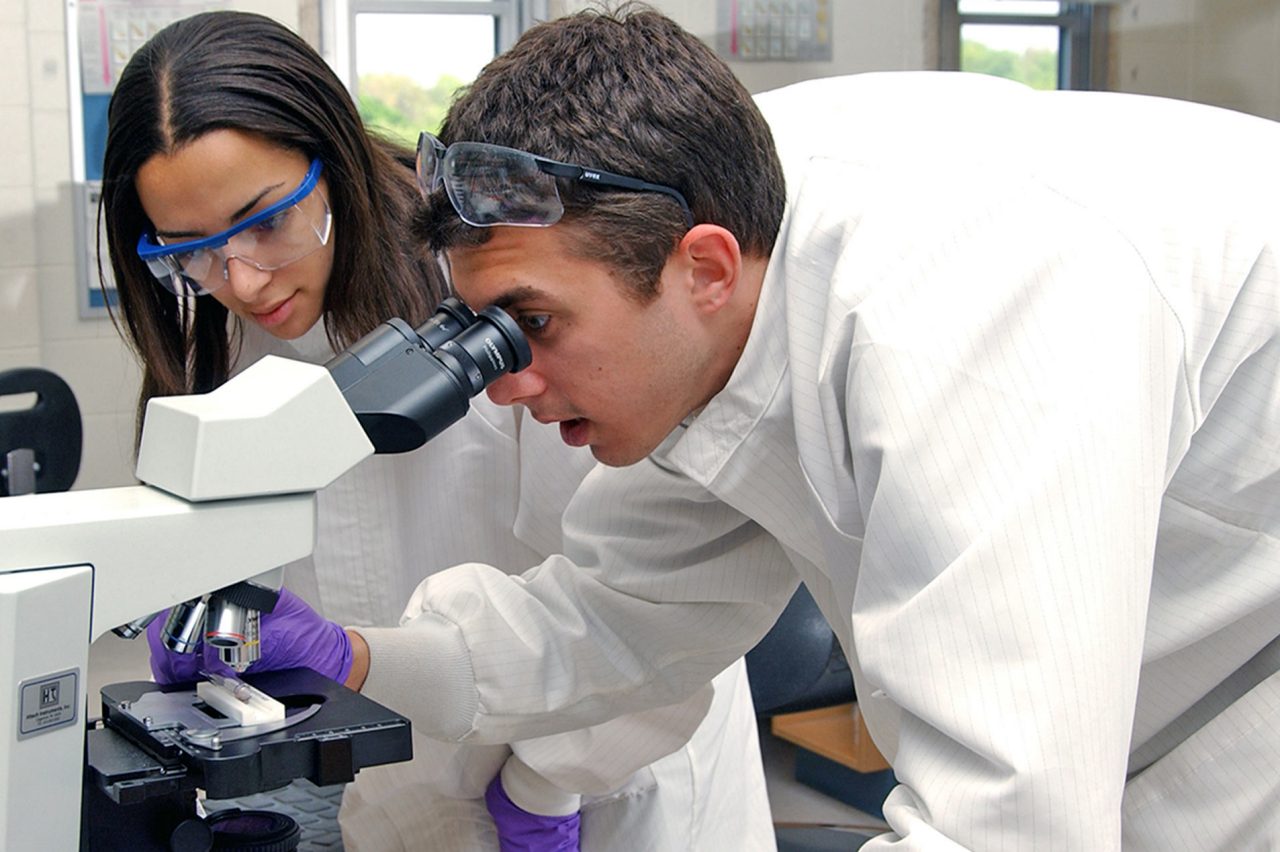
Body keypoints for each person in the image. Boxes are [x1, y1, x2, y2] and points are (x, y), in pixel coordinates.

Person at [148, 6, 1280, 850]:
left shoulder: (966, 317)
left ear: (702, 268)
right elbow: (612, 621)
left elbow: (1004, 824)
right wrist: (353, 658)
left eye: (531, 325)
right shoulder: (704, 250)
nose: (505, 385)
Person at [98, 11, 776, 851]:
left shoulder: (511, 309)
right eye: (190, 250)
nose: (239, 278)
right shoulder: (227, 349)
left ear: (333, 160)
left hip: (608, 773)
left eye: (266, 221)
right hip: (403, 780)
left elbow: (642, 611)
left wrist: (543, 789)